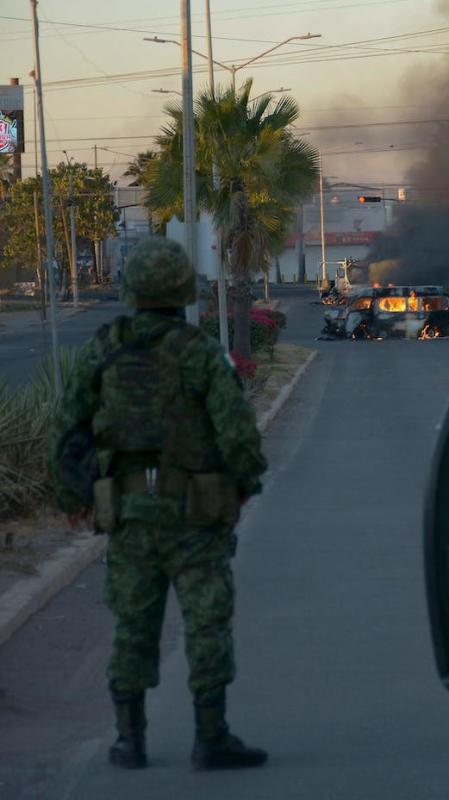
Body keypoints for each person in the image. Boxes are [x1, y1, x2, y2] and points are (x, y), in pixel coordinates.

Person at [46, 236, 269, 771]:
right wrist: (243, 484)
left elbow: (66, 426)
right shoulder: (197, 351)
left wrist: (72, 495)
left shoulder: (105, 347)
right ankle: (210, 738)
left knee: (133, 624)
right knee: (207, 623)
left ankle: (129, 741)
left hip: (129, 516)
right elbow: (236, 429)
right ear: (180, 290)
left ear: (130, 290)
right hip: (196, 517)